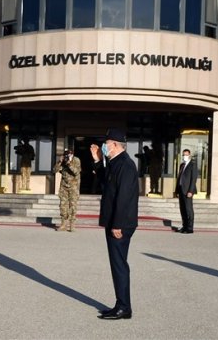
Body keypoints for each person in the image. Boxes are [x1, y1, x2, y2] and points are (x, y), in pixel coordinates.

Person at [91, 128, 138, 320]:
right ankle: (120, 303)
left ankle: (124, 308)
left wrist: (117, 225)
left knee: (119, 264)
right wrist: (96, 160)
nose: (104, 146)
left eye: (106, 143)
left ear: (116, 145)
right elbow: (105, 183)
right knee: (116, 263)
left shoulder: (126, 165)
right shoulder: (114, 162)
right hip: (115, 221)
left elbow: (124, 198)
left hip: (121, 223)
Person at [54, 148, 82, 232]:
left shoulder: (76, 160)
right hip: (64, 187)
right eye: (66, 154)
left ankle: (72, 225)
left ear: (72, 154)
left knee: (73, 206)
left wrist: (69, 163)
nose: (67, 155)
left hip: (74, 187)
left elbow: (76, 172)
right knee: (63, 206)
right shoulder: (62, 161)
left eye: (69, 154)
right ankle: (63, 224)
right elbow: (54, 170)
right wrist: (59, 162)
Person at [176, 149, 198, 233]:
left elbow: (193, 179)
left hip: (188, 190)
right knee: (182, 209)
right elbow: (179, 178)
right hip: (181, 189)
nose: (184, 156)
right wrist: (177, 191)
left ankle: (190, 228)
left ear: (189, 155)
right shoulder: (182, 165)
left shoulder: (193, 165)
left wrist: (191, 191)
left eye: (186, 155)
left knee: (188, 209)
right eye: (183, 155)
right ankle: (184, 226)